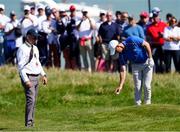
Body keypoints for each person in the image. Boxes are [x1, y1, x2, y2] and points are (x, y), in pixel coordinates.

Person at [109, 36, 154, 106]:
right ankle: (137, 104)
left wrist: (150, 58)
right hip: (135, 66)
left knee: (147, 86)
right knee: (137, 87)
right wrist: (120, 86)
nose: (116, 52)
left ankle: (147, 103)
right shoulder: (121, 55)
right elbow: (122, 70)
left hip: (147, 64)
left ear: (118, 46)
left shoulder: (131, 40)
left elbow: (146, 44)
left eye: (115, 50)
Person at [16, 28, 47, 127]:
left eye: (36, 38)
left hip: (36, 76)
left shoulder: (35, 48)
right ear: (28, 37)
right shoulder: (22, 48)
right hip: (28, 77)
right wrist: (26, 80)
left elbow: (38, 63)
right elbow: (20, 67)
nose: (36, 40)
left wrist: (43, 75)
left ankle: (31, 122)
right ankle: (28, 123)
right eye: (34, 38)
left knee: (34, 101)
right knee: (31, 100)